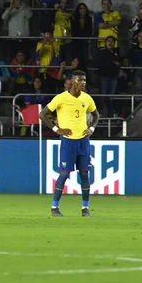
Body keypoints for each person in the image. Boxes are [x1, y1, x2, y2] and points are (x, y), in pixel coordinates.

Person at [38, 70, 99, 217]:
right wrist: (56, 129)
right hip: (68, 142)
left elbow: (96, 115)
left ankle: (85, 209)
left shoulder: (87, 98)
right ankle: (54, 208)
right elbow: (42, 114)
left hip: (83, 141)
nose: (83, 83)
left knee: (84, 174)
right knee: (64, 174)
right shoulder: (61, 98)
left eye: (84, 80)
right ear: (72, 82)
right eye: (79, 80)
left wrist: (91, 128)